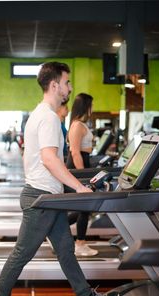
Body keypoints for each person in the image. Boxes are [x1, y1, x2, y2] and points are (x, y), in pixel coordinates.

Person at [0, 62, 119, 296]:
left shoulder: (41, 114)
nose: (70, 88)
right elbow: (48, 159)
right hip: (42, 198)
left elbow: (42, 158)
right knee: (22, 253)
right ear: (55, 84)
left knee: (66, 250)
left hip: (48, 196)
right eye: (67, 82)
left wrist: (71, 184)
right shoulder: (47, 117)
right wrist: (79, 187)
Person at [66, 93, 98, 257]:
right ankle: (80, 243)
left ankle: (55, 230)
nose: (93, 108)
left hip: (84, 163)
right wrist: (82, 177)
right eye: (91, 105)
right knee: (85, 208)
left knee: (84, 208)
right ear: (86, 106)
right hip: (78, 165)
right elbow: (75, 152)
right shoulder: (77, 125)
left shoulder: (79, 124)